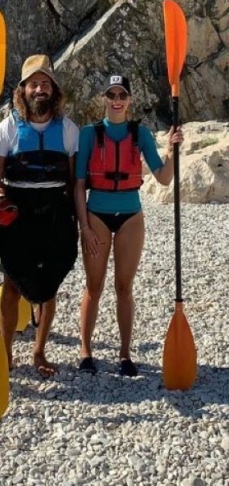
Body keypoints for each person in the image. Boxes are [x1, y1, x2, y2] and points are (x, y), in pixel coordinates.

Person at [74, 74, 184, 377]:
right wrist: (84, 227)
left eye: (122, 95)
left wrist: (173, 151)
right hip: (96, 215)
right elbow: (79, 184)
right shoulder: (89, 134)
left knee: (124, 288)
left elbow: (163, 178)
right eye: (111, 95)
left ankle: (124, 354)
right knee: (94, 286)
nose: (117, 100)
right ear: (104, 99)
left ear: (130, 100)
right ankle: (85, 350)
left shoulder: (141, 134)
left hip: (131, 216)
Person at [0, 54, 79, 376]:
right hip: (19, 213)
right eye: (33, 84)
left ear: (54, 90)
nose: (40, 89)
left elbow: (74, 182)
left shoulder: (68, 130)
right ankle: (7, 351)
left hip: (54, 211)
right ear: (22, 90)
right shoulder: (6, 128)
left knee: (48, 287)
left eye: (45, 83)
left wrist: (80, 222)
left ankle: (39, 352)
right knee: (11, 285)